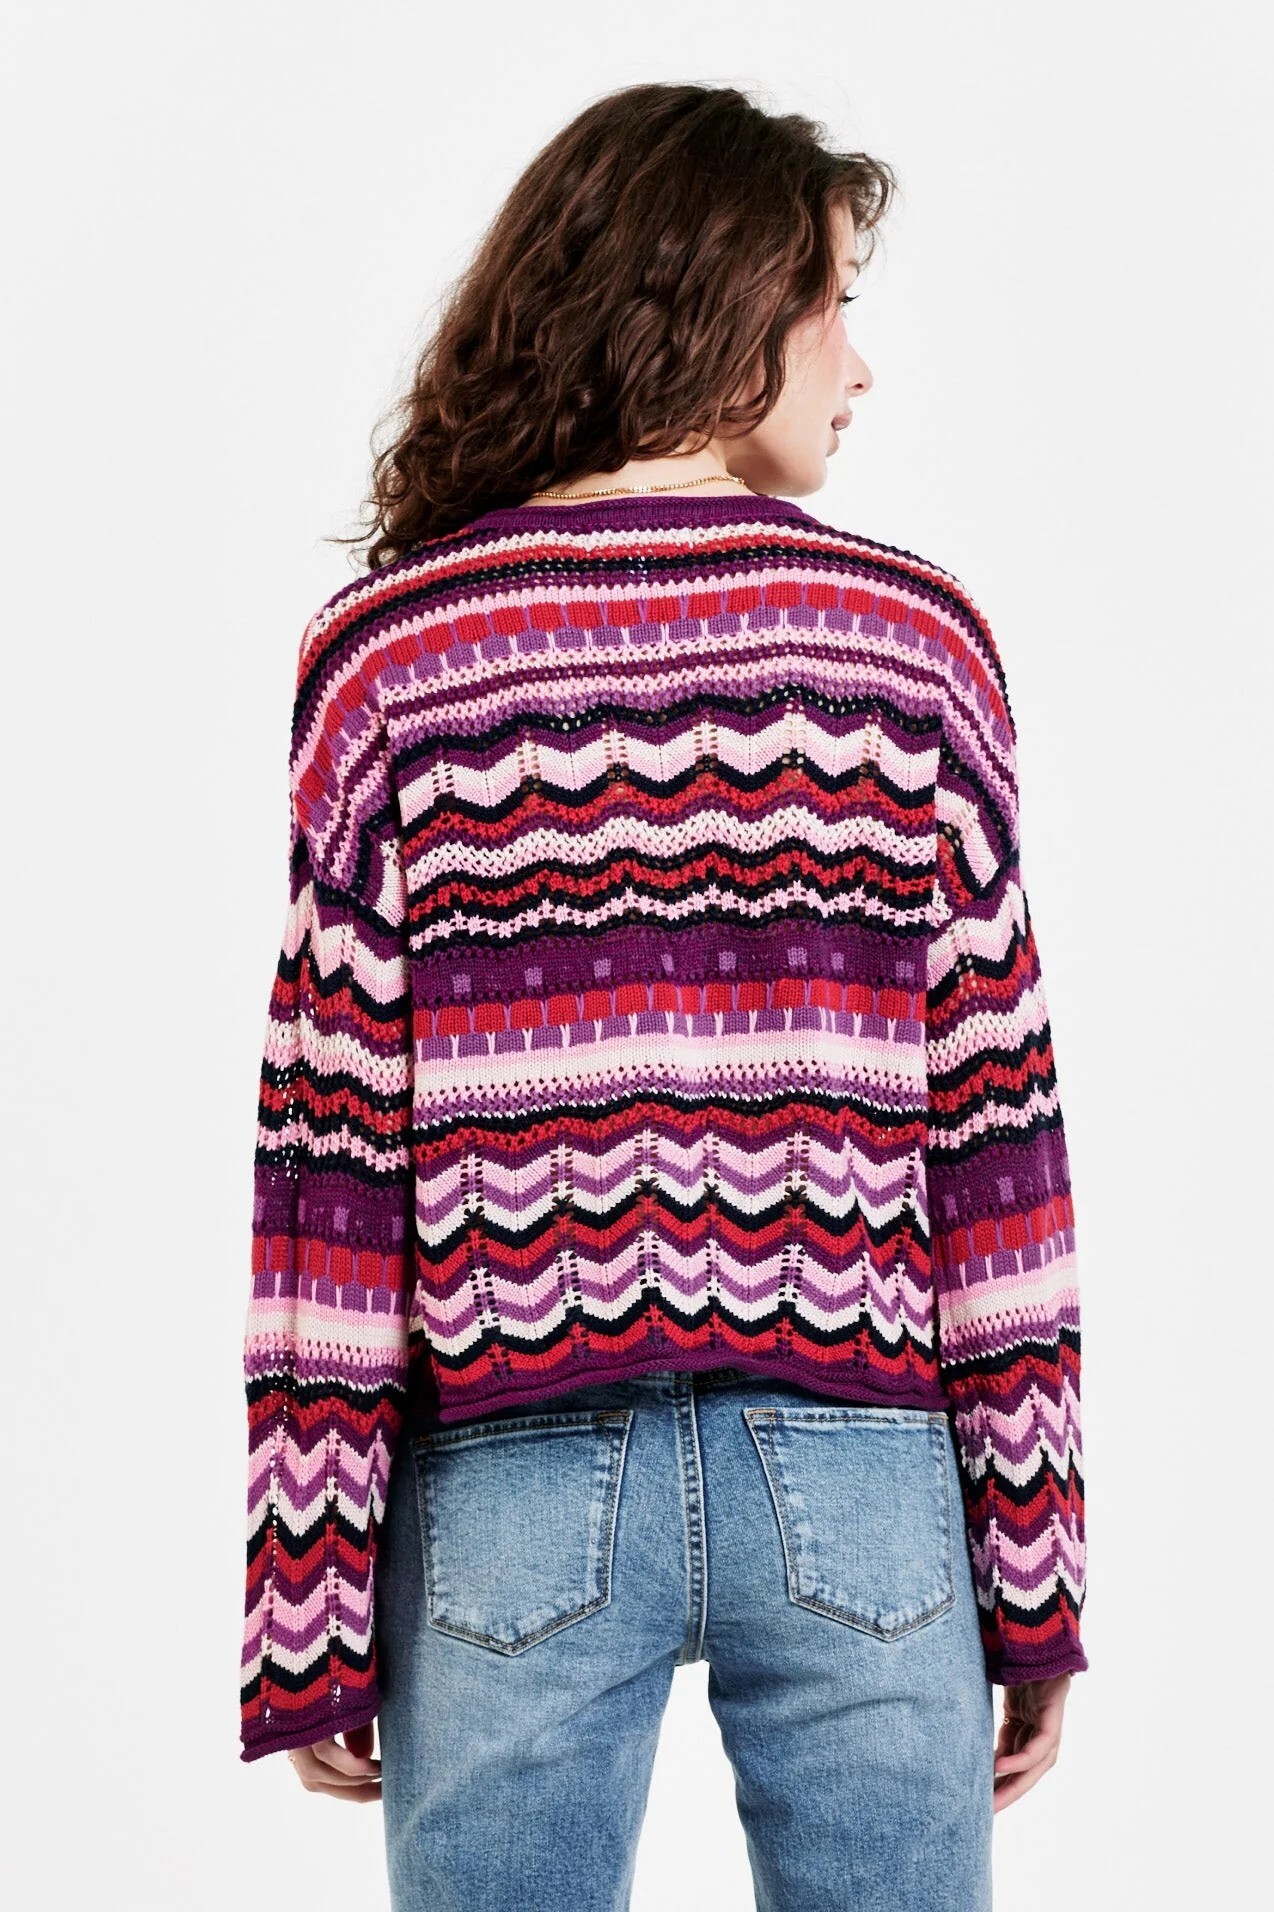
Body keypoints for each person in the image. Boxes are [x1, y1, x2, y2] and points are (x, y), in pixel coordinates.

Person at [238, 81, 1088, 1910]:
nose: (861, 366)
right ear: (720, 304)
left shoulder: (393, 654)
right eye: (834, 305)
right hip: (862, 1461)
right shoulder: (912, 642)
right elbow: (993, 1127)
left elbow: (331, 1153)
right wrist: (1033, 1569)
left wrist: (308, 1597)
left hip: (512, 1477)